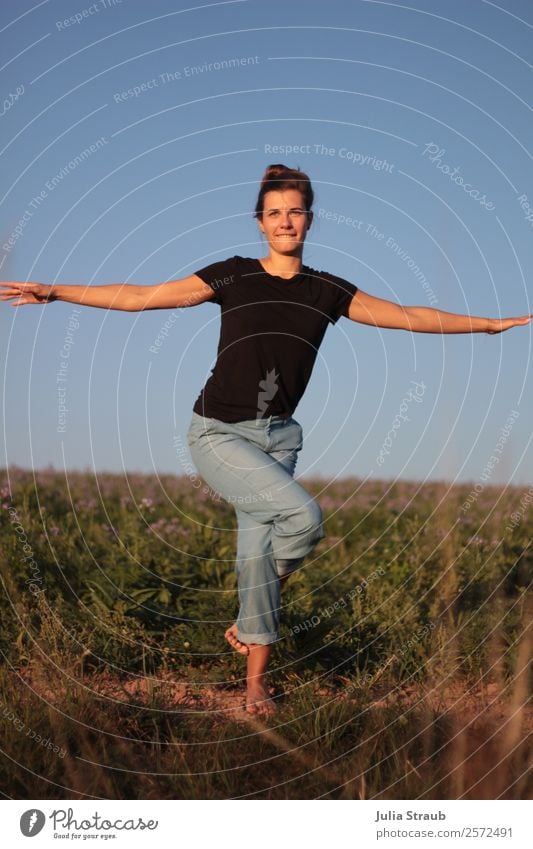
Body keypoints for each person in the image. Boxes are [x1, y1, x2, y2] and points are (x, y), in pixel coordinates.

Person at [1, 163, 531, 718]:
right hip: (219, 433)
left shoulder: (327, 291)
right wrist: (57, 291)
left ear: (308, 220)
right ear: (260, 223)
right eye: (274, 213)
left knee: (256, 555)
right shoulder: (232, 276)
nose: (285, 221)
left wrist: (487, 325)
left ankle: (255, 687)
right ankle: (254, 614)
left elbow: (408, 316)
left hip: (280, 441)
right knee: (304, 521)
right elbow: (142, 296)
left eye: (295, 212)